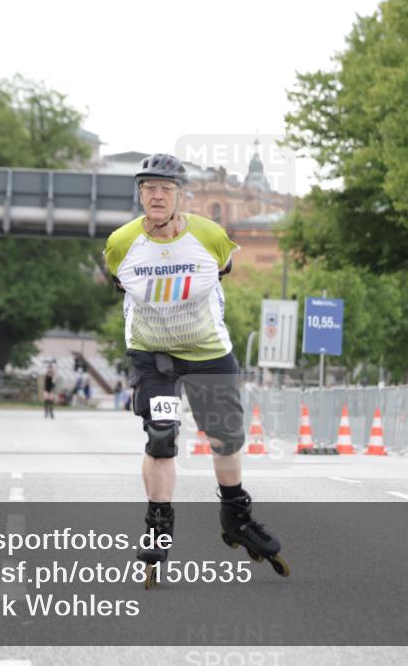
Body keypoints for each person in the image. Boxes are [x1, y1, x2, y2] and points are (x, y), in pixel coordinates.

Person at [104, 153, 288, 585]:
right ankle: (159, 526)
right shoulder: (120, 244)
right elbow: (120, 285)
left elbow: (222, 273)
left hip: (207, 349)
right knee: (162, 434)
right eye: (149, 188)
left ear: (182, 196)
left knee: (225, 436)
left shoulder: (211, 237)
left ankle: (236, 516)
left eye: (166, 189)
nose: (157, 196)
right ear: (139, 194)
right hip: (152, 351)